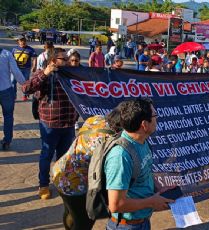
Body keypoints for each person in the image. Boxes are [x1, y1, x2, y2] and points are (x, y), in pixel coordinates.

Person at [104, 99, 174, 230]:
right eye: (154, 116)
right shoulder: (120, 156)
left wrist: (159, 187)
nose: (157, 119)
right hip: (126, 227)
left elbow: (144, 170)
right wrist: (151, 202)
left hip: (142, 222)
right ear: (144, 124)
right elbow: (116, 204)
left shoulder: (142, 141)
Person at [22, 48, 79, 200]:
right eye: (64, 59)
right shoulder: (44, 75)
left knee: (64, 158)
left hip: (68, 124)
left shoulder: (71, 75)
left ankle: (61, 182)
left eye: (68, 59)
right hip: (50, 124)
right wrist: (45, 73)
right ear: (54, 61)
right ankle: (44, 185)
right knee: (46, 155)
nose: (67, 62)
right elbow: (26, 88)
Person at [53, 111, 122, 230]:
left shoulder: (96, 119)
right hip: (75, 184)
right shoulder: (111, 141)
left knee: (70, 212)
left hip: (60, 172)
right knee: (84, 222)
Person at [0, 47, 27, 150]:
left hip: (6, 90)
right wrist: (25, 84)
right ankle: (7, 141)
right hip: (6, 90)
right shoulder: (6, 54)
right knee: (8, 116)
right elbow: (15, 71)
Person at [12, 35, 37, 101]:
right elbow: (11, 58)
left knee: (25, 82)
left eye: (24, 40)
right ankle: (13, 95)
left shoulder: (30, 49)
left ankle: (25, 95)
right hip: (15, 69)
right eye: (21, 41)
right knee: (13, 82)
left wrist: (34, 66)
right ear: (18, 41)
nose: (23, 42)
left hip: (26, 69)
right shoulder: (14, 49)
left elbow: (34, 58)